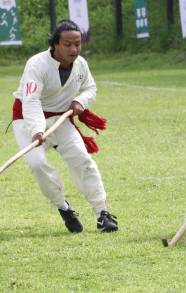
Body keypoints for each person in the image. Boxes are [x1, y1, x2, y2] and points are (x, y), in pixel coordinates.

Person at [10, 20, 118, 233]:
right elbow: (31, 101)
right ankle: (64, 207)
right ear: (55, 44)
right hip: (27, 120)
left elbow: (90, 88)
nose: (74, 49)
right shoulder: (36, 64)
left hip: (61, 119)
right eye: (67, 44)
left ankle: (102, 214)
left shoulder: (81, 65)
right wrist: (37, 130)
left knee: (83, 160)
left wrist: (81, 102)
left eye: (77, 44)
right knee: (37, 164)